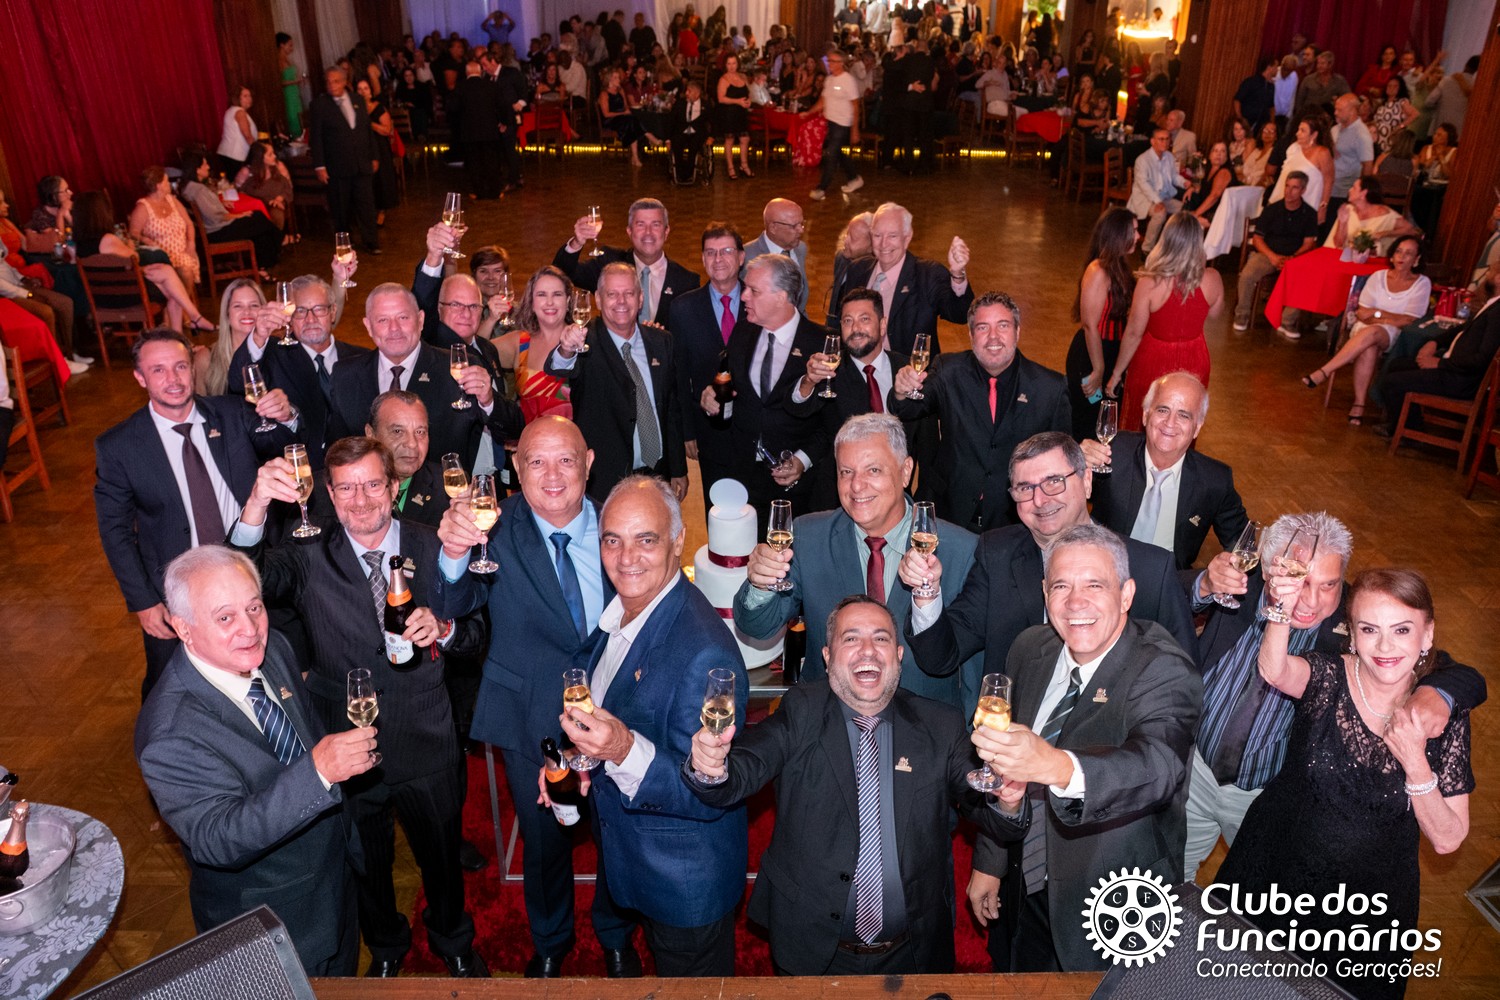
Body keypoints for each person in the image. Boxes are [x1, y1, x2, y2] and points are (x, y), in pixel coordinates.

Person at [231, 436, 489, 978]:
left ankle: (453, 941)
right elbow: (241, 579)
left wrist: (444, 628)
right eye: (346, 489)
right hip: (346, 741)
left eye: (373, 484)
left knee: (441, 855)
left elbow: (477, 634)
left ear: (393, 488)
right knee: (366, 859)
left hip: (425, 732)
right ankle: (387, 947)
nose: (361, 499)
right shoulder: (306, 550)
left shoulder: (434, 543)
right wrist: (255, 504)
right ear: (328, 493)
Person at [687, 593, 1011, 974]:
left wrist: (1009, 798)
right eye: (851, 638)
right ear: (827, 657)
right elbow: (749, 762)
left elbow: (986, 805)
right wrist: (714, 765)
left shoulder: (940, 725)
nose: (868, 651)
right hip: (812, 952)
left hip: (913, 953)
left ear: (899, 656)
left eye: (881, 638)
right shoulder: (802, 711)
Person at [432, 415, 641, 977]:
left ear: (589, 463)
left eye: (566, 460)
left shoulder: (621, 522)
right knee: (545, 842)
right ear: (516, 468)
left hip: (617, 711)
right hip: (530, 717)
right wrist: (452, 549)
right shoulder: (490, 528)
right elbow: (452, 604)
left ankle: (616, 934)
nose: (552, 476)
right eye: (536, 462)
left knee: (618, 832)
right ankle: (550, 942)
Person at [1182, 512, 1483, 883]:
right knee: (1173, 877)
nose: (1311, 601)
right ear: (1273, 570)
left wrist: (1438, 693)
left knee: (1256, 888)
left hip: (1267, 796)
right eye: (1300, 581)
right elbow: (1161, 588)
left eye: (1329, 584)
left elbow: (1455, 671)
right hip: (1193, 770)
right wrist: (1205, 583)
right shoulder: (1243, 584)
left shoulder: (1360, 626)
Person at [1217, 568, 1475, 1000]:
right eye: (1369, 629)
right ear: (1352, 635)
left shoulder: (1441, 717)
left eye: (1402, 630)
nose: (1386, 647)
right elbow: (1276, 670)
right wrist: (1280, 609)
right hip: (1275, 874)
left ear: (1427, 635)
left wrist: (1415, 762)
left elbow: (1448, 839)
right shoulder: (1328, 675)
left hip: (1366, 911)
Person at [965, 523, 1201, 972]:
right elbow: (1005, 769)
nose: (1075, 603)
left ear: (1126, 594)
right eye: (1061, 586)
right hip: (1025, 884)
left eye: (1095, 585)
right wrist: (991, 860)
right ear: (1044, 593)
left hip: (1112, 902)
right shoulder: (1029, 649)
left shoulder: (1162, 668)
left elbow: (1159, 766)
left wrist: (1055, 766)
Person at [134, 546, 373, 976]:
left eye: (254, 607)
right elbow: (217, 837)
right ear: (183, 628)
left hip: (335, 883)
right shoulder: (169, 733)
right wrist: (318, 772)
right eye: (225, 617)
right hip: (275, 924)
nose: (250, 629)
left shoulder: (273, 649)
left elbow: (305, 731)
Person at [551, 476, 749, 976]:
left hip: (684, 883)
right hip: (633, 855)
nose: (626, 558)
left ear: (678, 541)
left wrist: (621, 749)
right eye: (612, 540)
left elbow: (707, 793)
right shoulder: (625, 608)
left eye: (646, 539)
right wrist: (573, 757)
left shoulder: (706, 654)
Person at [94, 329, 296, 696]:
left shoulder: (232, 412)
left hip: (254, 566)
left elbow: (281, 441)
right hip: (178, 590)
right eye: (158, 370)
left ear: (192, 368)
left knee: (278, 668)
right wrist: (144, 602)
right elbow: (116, 532)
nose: (173, 379)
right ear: (140, 378)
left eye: (180, 366)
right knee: (168, 685)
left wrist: (288, 415)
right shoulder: (119, 446)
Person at [906, 429, 1197, 680]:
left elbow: (1182, 677)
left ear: (1086, 481)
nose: (1040, 499)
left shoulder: (1150, 570)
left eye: (1054, 481)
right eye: (1025, 488)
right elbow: (941, 658)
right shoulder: (998, 554)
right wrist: (926, 590)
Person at [735, 412, 979, 709]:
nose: (856, 486)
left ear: (905, 471)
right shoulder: (809, 536)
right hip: (828, 721)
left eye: (873, 470)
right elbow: (757, 626)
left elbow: (973, 670)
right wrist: (760, 585)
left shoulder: (961, 551)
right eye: (846, 472)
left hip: (925, 725)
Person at [890, 292, 1070, 531]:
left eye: (1003, 326)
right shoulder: (948, 370)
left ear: (1017, 331)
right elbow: (908, 408)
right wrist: (901, 390)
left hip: (1013, 521)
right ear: (971, 335)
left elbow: (1062, 460)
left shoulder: (1050, 388)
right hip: (949, 513)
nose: (993, 336)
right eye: (983, 327)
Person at [327, 282, 521, 473]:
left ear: (420, 320)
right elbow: (336, 452)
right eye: (383, 320)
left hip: (442, 492)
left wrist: (488, 401)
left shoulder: (459, 367)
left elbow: (514, 429)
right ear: (368, 326)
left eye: (403, 317)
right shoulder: (346, 375)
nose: (394, 328)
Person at [698, 253, 833, 525]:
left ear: (781, 297)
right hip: (742, 479)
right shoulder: (742, 332)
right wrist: (710, 394)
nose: (743, 296)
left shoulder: (821, 344)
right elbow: (729, 386)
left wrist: (802, 460)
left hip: (797, 489)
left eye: (753, 290)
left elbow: (832, 422)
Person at [544, 262, 687, 502]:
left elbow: (671, 409)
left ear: (640, 299)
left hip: (657, 474)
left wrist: (678, 468)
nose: (621, 301)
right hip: (605, 479)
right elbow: (557, 365)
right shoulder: (585, 342)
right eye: (612, 294)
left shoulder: (661, 341)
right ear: (598, 300)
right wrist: (566, 349)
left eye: (628, 293)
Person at [1081, 372, 1249, 571]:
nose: (1170, 423)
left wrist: (1227, 571)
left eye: (1183, 415)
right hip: (1104, 571)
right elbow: (1063, 498)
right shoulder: (1113, 452)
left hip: (1169, 582)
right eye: (1162, 410)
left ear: (1197, 428)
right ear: (1145, 415)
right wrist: (1075, 463)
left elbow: (1244, 545)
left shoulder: (1214, 480)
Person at [1106, 213, 1225, 431]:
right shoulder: (1213, 278)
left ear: (1166, 239)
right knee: (1184, 419)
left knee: (1147, 420)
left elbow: (1133, 333)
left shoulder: (1149, 283)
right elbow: (1216, 315)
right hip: (1195, 357)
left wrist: (1116, 373)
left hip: (1154, 358)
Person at [232, 272, 362, 468]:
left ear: (333, 312)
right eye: (300, 311)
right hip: (299, 474)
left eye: (319, 309)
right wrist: (258, 335)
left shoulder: (360, 358)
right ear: (290, 318)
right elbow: (237, 383)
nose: (310, 319)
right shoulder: (273, 356)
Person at [1302, 235, 1430, 426]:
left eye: (1409, 253)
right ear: (1392, 255)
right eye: (1399, 251)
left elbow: (1409, 319)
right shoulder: (1378, 276)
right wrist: (1388, 317)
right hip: (1365, 328)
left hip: (1395, 335)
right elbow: (1362, 312)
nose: (1402, 257)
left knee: (1373, 332)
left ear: (1417, 259)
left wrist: (1378, 314)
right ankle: (1359, 404)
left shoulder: (1422, 283)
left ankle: (1325, 371)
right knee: (1370, 346)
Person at [668, 223, 746, 510]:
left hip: (755, 426)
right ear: (702, 259)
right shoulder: (683, 308)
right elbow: (678, 375)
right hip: (709, 429)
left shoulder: (759, 300)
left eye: (726, 251)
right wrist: (687, 431)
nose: (718, 259)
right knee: (719, 508)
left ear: (741, 257)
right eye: (711, 253)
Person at [1376, 266, 1500, 439]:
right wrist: (1435, 342)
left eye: (1492, 272)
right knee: (1397, 365)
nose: (1487, 274)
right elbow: (1463, 329)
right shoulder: (1493, 305)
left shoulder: (1498, 312)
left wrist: (1439, 363)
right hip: (1454, 369)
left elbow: (1482, 360)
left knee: (1392, 382)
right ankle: (1402, 424)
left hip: (1461, 379)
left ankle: (1411, 434)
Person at [842, 202, 973, 357]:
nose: (884, 244)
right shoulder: (857, 270)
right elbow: (841, 323)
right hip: (859, 367)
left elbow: (960, 314)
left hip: (910, 369)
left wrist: (957, 274)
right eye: (877, 235)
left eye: (892, 236)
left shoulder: (927, 274)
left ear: (907, 238)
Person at [553, 198, 701, 323]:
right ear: (629, 231)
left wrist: (661, 338)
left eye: (655, 225)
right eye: (640, 224)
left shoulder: (687, 282)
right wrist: (576, 243)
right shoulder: (608, 263)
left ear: (666, 231)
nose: (648, 232)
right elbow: (560, 275)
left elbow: (690, 333)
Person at [1066, 209, 1137, 441]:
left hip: (1111, 353)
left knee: (1106, 419)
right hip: (1091, 356)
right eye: (1134, 231)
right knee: (1089, 418)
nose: (1138, 236)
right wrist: (1098, 370)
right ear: (1118, 234)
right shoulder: (1097, 271)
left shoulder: (1120, 266)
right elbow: (1090, 325)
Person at [1232, 170, 1320, 331]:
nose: (1289, 191)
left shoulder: (1309, 214)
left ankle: (1287, 321)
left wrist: (1293, 257)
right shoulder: (1272, 210)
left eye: (1294, 187)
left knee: (1306, 278)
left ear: (1303, 190)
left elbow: (1309, 243)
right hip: (1268, 254)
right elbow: (1257, 239)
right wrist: (1272, 256)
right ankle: (1242, 315)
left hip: (1294, 257)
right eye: (1287, 186)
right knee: (1247, 275)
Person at [307, 67, 380, 254]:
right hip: (337, 165)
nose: (332, 85)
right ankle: (345, 242)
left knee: (366, 204)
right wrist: (320, 165)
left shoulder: (357, 100)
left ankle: (371, 241)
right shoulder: (320, 105)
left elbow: (366, 130)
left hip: (361, 162)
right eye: (328, 82)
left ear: (345, 82)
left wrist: (373, 155)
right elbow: (316, 138)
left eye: (336, 81)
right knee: (340, 206)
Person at [178, 152, 282, 276]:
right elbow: (215, 216)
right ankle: (280, 240)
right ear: (197, 170)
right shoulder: (199, 190)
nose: (208, 167)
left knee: (260, 229)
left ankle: (263, 265)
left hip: (211, 230)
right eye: (205, 164)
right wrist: (239, 215)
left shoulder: (187, 187)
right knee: (258, 218)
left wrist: (219, 203)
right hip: (217, 232)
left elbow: (206, 208)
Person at [499, 265, 575, 423]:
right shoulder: (519, 342)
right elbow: (472, 350)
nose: (550, 302)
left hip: (576, 437)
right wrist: (491, 319)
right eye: (541, 295)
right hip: (530, 437)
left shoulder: (584, 341)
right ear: (532, 303)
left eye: (557, 294)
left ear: (568, 301)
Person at [129, 166, 202, 294]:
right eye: (166, 181)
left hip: (183, 251)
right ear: (159, 186)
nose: (169, 184)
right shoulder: (143, 207)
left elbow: (189, 224)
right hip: (161, 257)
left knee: (185, 267)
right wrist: (144, 239)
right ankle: (184, 303)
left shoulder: (172, 200)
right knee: (183, 269)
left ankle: (183, 303)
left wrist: (191, 242)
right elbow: (133, 233)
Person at [805, 47, 864, 202]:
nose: (829, 64)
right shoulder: (829, 79)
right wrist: (809, 112)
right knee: (837, 152)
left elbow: (856, 106)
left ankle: (822, 188)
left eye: (832, 61)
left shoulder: (848, 80)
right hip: (831, 122)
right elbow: (823, 101)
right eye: (828, 60)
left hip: (843, 123)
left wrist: (855, 130)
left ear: (840, 63)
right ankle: (854, 178)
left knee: (831, 153)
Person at [449, 61, 505, 201]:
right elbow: (501, 106)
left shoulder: (460, 87)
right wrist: (503, 122)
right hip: (489, 130)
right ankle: (495, 191)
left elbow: (453, 108)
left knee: (474, 163)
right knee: (492, 161)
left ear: (467, 72)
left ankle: (478, 192)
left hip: (469, 131)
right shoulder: (491, 85)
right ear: (480, 72)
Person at [1323, 175, 1420, 256]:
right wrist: (1342, 223)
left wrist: (1384, 233)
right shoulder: (1348, 210)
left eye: (1354, 188)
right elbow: (1338, 244)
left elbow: (1411, 231)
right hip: (1347, 258)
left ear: (1363, 193)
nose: (1349, 190)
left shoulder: (1384, 214)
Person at [1126, 127, 1185, 254]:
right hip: (1145, 198)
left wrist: (1184, 183)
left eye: (1167, 139)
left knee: (1184, 210)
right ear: (1152, 141)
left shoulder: (1169, 156)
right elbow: (1143, 184)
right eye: (1161, 139)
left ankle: (1169, 246)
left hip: (1163, 197)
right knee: (1160, 214)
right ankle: (1147, 248)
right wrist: (1157, 201)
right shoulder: (1142, 160)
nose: (1165, 142)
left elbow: (1174, 176)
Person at [742, 199, 808, 311]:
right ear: (773, 227)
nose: (801, 230)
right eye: (794, 226)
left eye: (801, 224)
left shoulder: (801, 248)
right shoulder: (746, 257)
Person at [1328, 93, 1375, 216]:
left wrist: (1361, 194)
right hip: (1328, 188)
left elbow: (1368, 166)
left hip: (1344, 193)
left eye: (1340, 110)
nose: (1335, 113)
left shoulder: (1361, 135)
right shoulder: (1334, 129)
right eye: (1335, 109)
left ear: (1352, 111)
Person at [235, 142, 295, 237]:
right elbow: (239, 192)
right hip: (255, 205)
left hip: (275, 202)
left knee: (276, 214)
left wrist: (280, 198)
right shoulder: (247, 172)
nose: (275, 156)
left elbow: (288, 187)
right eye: (270, 154)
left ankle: (276, 239)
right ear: (260, 158)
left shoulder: (279, 167)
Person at [826, 211, 874, 328]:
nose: (845, 240)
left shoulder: (874, 274)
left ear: (872, 246)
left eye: (853, 238)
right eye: (847, 234)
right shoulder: (841, 258)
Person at [1183, 141, 1238, 229]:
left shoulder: (1224, 172)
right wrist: (1192, 188)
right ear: (1209, 155)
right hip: (1208, 209)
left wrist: (1196, 214)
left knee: (1186, 219)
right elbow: (1204, 188)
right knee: (1187, 203)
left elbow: (1214, 196)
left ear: (1226, 156)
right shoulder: (1209, 168)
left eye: (1223, 151)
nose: (1218, 154)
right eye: (1215, 151)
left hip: (1217, 213)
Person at [716, 54, 754, 178]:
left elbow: (749, 93)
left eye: (734, 63)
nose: (732, 66)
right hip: (729, 113)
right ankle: (730, 167)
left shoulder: (742, 77)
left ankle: (744, 165)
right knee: (730, 139)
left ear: (738, 64)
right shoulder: (724, 79)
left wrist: (749, 101)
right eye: (729, 64)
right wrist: (738, 101)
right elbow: (721, 98)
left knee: (745, 138)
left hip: (742, 112)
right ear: (725, 65)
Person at [1424, 56, 1477, 135]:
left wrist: (1441, 106)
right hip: (1460, 132)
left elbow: (1429, 101)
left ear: (1466, 65)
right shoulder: (1477, 86)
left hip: (1440, 127)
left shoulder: (1447, 80)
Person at [1294, 50, 1350, 118]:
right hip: (1309, 117)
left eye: (1322, 63)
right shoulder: (1308, 80)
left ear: (1330, 65)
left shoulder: (1339, 81)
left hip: (1329, 118)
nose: (1319, 66)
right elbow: (1299, 101)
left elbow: (1347, 98)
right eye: (1318, 63)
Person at [217, 85, 258, 177]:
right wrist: (258, 150)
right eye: (245, 96)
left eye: (250, 96)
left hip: (226, 154)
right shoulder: (240, 112)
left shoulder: (230, 110)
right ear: (237, 98)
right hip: (235, 156)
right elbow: (247, 135)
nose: (249, 99)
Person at [1371, 75, 1418, 151]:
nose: (1391, 88)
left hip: (1389, 137)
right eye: (1389, 85)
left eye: (1395, 86)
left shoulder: (1401, 102)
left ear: (1400, 88)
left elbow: (1415, 114)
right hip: (1376, 136)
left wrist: (1400, 126)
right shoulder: (1383, 102)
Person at [1233, 58, 1278, 128]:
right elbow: (1237, 100)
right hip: (1247, 122)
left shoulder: (1271, 86)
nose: (1277, 70)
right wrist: (1240, 118)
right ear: (1269, 67)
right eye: (1276, 67)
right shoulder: (1251, 82)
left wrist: (1272, 123)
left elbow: (1271, 106)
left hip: (1261, 125)